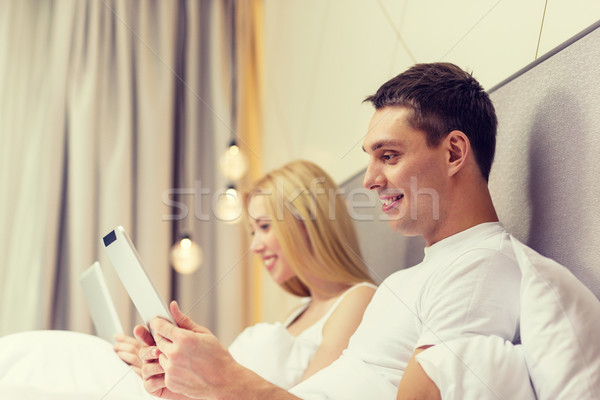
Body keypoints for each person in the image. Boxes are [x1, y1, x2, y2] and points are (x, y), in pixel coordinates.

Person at [136, 62, 522, 400]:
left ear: (454, 153)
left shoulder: (478, 268)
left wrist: (229, 382)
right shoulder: (403, 283)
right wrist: (201, 387)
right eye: (370, 159)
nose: (370, 180)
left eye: (388, 156)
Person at [116, 159, 376, 391]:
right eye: (253, 231)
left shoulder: (358, 299)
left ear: (309, 222)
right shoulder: (297, 314)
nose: (255, 246)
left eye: (264, 226)